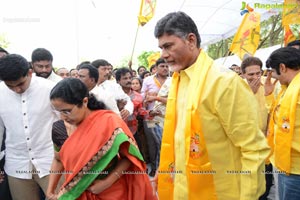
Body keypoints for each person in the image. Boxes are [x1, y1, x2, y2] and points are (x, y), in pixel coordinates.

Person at [154, 11, 270, 199]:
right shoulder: (178, 80)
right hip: (183, 189)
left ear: (191, 40)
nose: (163, 55)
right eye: (161, 48)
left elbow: (253, 149)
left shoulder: (224, 82)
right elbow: (179, 137)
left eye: (168, 46)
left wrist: (248, 196)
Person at [46, 78, 156, 200]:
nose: (62, 117)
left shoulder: (108, 122)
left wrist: (106, 182)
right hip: (77, 192)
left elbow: (130, 156)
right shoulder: (59, 128)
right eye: (59, 112)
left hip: (111, 192)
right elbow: (58, 159)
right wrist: (50, 191)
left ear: (84, 101)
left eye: (67, 111)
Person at [0, 54, 59, 200]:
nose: (16, 90)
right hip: (16, 164)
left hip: (50, 162)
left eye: (20, 84)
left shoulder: (50, 89)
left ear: (30, 73)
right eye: (10, 86)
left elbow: (66, 122)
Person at [266, 47, 300, 200]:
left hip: (295, 169)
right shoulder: (286, 89)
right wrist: (267, 95)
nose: (273, 77)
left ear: (282, 67)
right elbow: (276, 119)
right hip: (285, 164)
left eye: (273, 72)